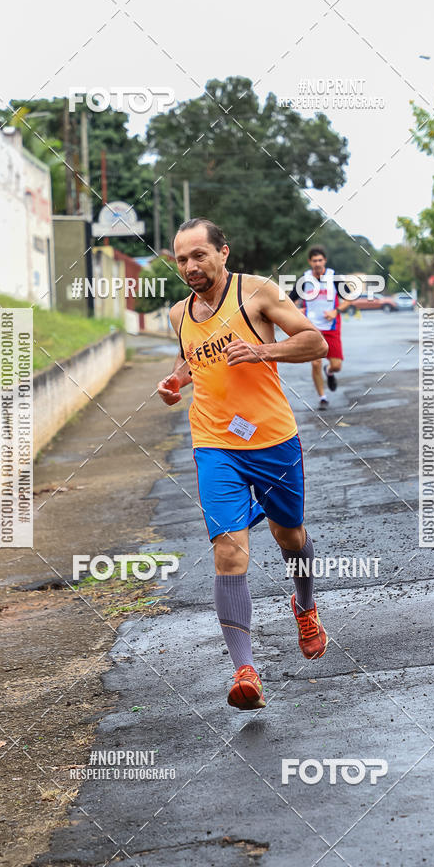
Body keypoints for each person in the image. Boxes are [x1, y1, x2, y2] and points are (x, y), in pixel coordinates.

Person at [157, 218, 329, 710]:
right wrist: (175, 382)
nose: (190, 266)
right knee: (229, 553)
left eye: (199, 255)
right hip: (214, 444)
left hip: (273, 440)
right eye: (182, 259)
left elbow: (315, 342)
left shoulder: (257, 293)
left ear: (223, 253)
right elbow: (192, 360)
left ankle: (305, 606)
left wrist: (261, 350)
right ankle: (245, 671)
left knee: (289, 535)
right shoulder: (178, 314)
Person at [291, 246, 350, 410]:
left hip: (331, 326)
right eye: (314, 260)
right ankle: (322, 398)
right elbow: (289, 301)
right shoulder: (305, 279)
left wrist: (336, 311)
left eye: (320, 260)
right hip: (312, 327)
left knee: (337, 365)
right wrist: (297, 310)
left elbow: (348, 299)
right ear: (310, 262)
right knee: (315, 363)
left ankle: (329, 371)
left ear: (325, 261)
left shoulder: (334, 277)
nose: (317, 263)